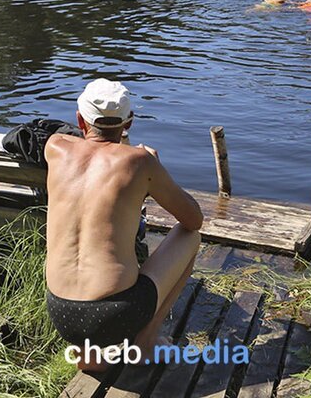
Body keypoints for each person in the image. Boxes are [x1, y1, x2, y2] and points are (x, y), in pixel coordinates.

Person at [45, 79, 203, 371]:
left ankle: (88, 356)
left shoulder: (55, 148)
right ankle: (144, 344)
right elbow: (193, 219)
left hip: (60, 313)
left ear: (80, 119)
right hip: (116, 315)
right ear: (128, 122)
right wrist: (155, 166)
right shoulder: (141, 162)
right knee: (190, 237)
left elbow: (96, 156)